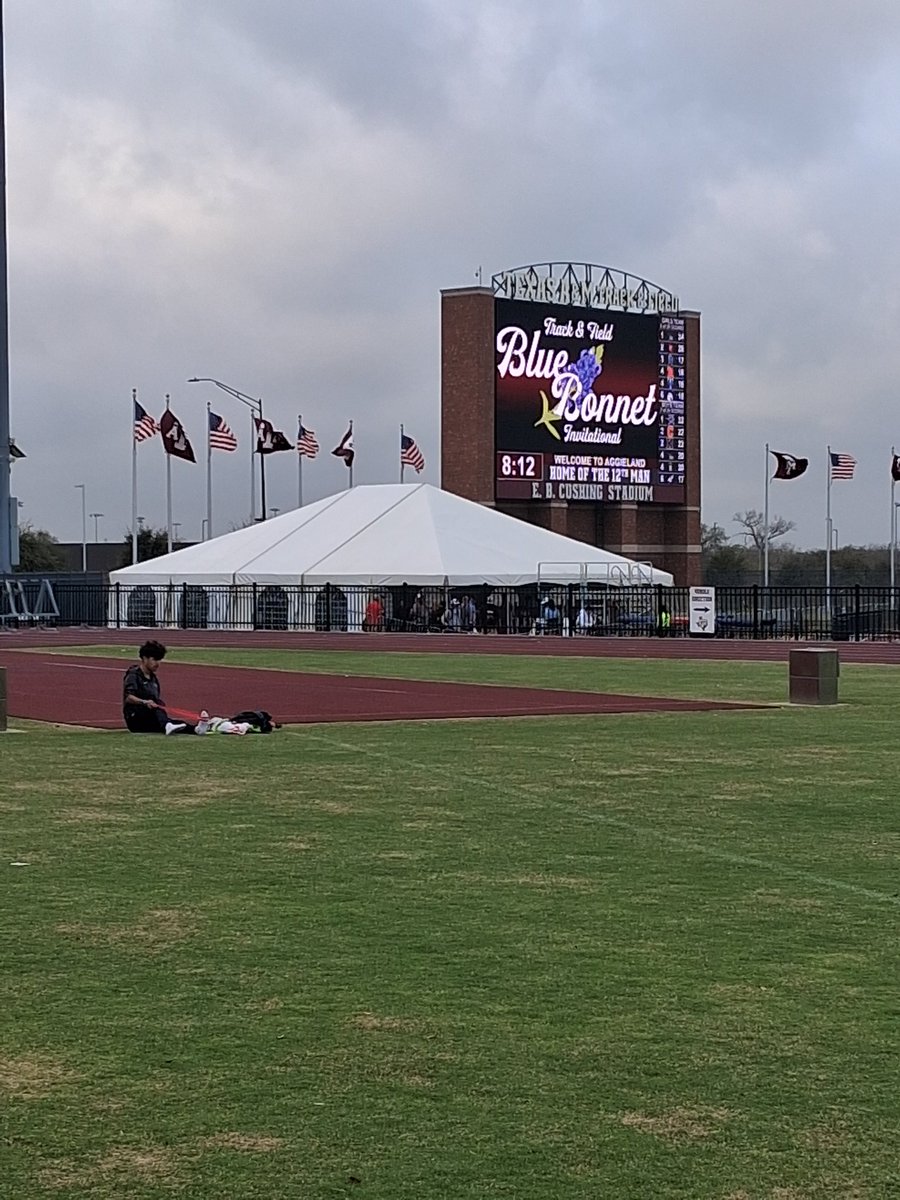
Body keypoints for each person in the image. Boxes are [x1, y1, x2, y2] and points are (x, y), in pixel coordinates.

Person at [122, 640, 205, 735]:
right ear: (145, 658)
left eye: (159, 660)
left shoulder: (153, 679)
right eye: (154, 659)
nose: (157, 663)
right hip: (135, 717)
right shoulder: (133, 675)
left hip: (149, 717)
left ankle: (195, 729)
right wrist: (145, 702)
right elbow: (128, 697)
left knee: (173, 723)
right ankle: (166, 724)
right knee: (158, 704)